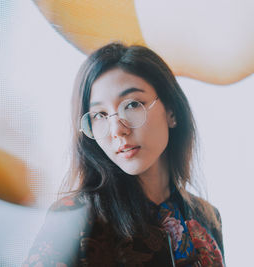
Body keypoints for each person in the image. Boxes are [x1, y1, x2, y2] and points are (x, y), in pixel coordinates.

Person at [23, 43, 225, 267]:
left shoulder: (207, 217)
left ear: (172, 112)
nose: (117, 129)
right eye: (100, 115)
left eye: (132, 105)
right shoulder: (73, 216)